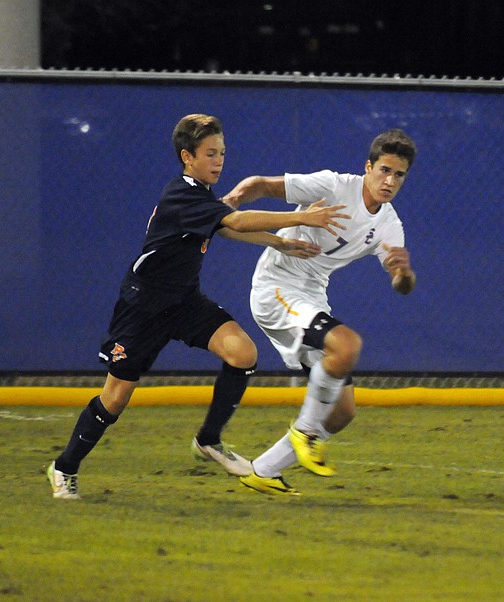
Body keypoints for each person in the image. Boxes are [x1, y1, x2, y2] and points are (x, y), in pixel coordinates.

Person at [47, 113, 349, 499]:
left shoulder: (200, 196)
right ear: (188, 157)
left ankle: (209, 440)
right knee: (116, 397)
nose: (219, 160)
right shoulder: (182, 192)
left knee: (242, 353)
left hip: (184, 301)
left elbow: (223, 226)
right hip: (144, 307)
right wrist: (301, 218)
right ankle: (64, 467)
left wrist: (279, 242)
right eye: (210, 153)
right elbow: (236, 221)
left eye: (222, 152)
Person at [221, 128, 417, 495]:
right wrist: (228, 202)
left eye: (399, 174)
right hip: (275, 287)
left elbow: (401, 286)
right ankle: (304, 433)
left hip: (311, 296)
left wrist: (403, 273)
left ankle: (263, 471)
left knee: (342, 412)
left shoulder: (390, 225)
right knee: (346, 345)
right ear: (368, 167)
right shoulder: (333, 185)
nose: (389, 181)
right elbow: (261, 184)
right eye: (384, 170)